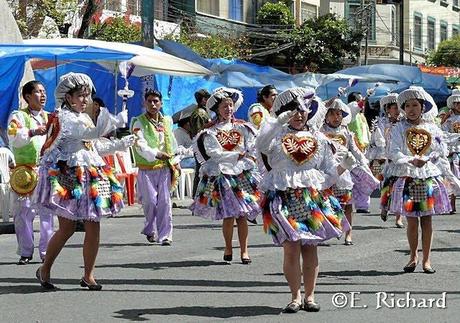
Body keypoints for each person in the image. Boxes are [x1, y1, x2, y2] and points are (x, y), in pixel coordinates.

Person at [256, 88, 354, 313]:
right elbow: (260, 145)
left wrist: (343, 167)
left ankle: (310, 296)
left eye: (301, 110)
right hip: (284, 198)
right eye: (292, 110)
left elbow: (327, 176)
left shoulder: (319, 139)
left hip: (311, 200)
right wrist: (276, 122)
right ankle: (295, 296)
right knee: (290, 248)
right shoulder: (276, 137)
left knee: (310, 248)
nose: (298, 114)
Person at [34, 72, 134, 290]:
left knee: (94, 224)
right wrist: (114, 120)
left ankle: (88, 275)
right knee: (67, 228)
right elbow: (89, 134)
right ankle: (45, 268)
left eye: (87, 96)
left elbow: (95, 145)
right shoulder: (64, 117)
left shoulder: (84, 117)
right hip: (69, 175)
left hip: (90, 174)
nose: (85, 100)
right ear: (68, 97)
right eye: (80, 96)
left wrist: (122, 143)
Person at [190, 87, 261, 264]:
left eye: (230, 105)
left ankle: (245, 251)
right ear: (217, 110)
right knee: (229, 215)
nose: (228, 109)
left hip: (242, 174)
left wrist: (248, 157)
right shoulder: (210, 131)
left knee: (243, 214)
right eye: (224, 106)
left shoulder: (243, 127)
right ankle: (228, 247)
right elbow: (213, 152)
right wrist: (237, 155)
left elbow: (252, 145)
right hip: (223, 175)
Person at [387, 87, 451, 274]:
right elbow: (394, 151)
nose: (412, 109)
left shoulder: (432, 128)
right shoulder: (399, 128)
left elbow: (440, 150)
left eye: (415, 105)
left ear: (423, 107)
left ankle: (427, 260)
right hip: (408, 177)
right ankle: (413, 256)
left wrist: (427, 159)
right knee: (412, 221)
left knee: (427, 221)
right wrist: (409, 160)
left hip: (426, 177)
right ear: (403, 109)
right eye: (408, 106)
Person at [7, 80, 54, 265]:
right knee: (23, 213)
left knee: (47, 212)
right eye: (38, 92)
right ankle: (26, 251)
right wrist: (33, 131)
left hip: (46, 170)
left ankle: (46, 252)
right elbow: (14, 137)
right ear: (27, 96)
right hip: (25, 172)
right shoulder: (18, 116)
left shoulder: (51, 117)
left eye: (44, 91)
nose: (43, 95)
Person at [130, 90, 179, 246]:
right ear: (145, 103)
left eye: (156, 101)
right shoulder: (138, 122)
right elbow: (140, 145)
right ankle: (150, 228)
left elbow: (172, 142)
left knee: (164, 202)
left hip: (164, 167)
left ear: (161, 103)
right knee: (150, 202)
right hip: (146, 168)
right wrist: (156, 153)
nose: (153, 104)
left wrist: (175, 158)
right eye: (150, 101)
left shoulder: (166, 122)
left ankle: (165, 235)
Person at [320, 99, 369, 246]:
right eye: (333, 114)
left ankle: (349, 233)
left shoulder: (346, 132)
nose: (337, 117)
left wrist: (364, 163)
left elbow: (355, 150)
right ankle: (325, 232)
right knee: (325, 204)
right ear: (326, 116)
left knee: (347, 204)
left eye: (339, 114)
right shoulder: (320, 131)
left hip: (344, 174)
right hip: (325, 174)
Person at [373, 94, 404, 228]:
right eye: (394, 108)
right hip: (388, 160)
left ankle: (399, 217)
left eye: (398, 107)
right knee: (387, 187)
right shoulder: (381, 123)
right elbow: (379, 141)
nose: (397, 110)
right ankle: (385, 207)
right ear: (388, 109)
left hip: (402, 159)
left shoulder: (404, 123)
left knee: (401, 188)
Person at [347, 92, 372, 213]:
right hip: (352, 151)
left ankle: (362, 205)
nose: (363, 104)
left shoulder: (361, 115)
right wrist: (365, 98)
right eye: (360, 100)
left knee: (363, 177)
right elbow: (356, 107)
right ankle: (350, 202)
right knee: (355, 177)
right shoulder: (350, 111)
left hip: (363, 149)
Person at [441, 89, 460, 213]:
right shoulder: (448, 119)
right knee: (452, 178)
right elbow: (443, 134)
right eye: (457, 103)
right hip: (453, 151)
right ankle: (451, 204)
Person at [190, 89, 211, 196]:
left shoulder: (203, 112)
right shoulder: (200, 113)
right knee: (201, 173)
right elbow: (199, 134)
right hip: (201, 149)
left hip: (203, 148)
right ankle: (197, 197)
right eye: (208, 99)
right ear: (203, 100)